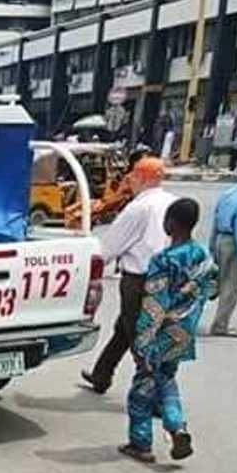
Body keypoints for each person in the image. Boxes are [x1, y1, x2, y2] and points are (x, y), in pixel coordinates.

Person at [120, 198, 216, 463]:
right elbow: (212, 288)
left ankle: (142, 443)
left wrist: (141, 342)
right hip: (184, 333)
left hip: (161, 333)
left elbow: (154, 305)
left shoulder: (163, 260)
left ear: (171, 223)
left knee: (142, 389)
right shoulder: (202, 254)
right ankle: (177, 427)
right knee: (166, 382)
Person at [81, 157, 178, 394]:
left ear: (141, 178)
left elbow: (110, 247)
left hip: (139, 279)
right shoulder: (173, 202)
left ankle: (154, 392)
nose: (129, 181)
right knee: (125, 329)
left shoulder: (138, 208)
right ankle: (101, 374)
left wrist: (87, 270)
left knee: (137, 334)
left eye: (132, 177)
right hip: (167, 278)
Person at [208, 166, 237, 337]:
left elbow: (215, 220)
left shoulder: (229, 192)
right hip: (235, 242)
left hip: (220, 240)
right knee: (232, 286)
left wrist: (211, 247)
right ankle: (220, 325)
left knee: (217, 281)